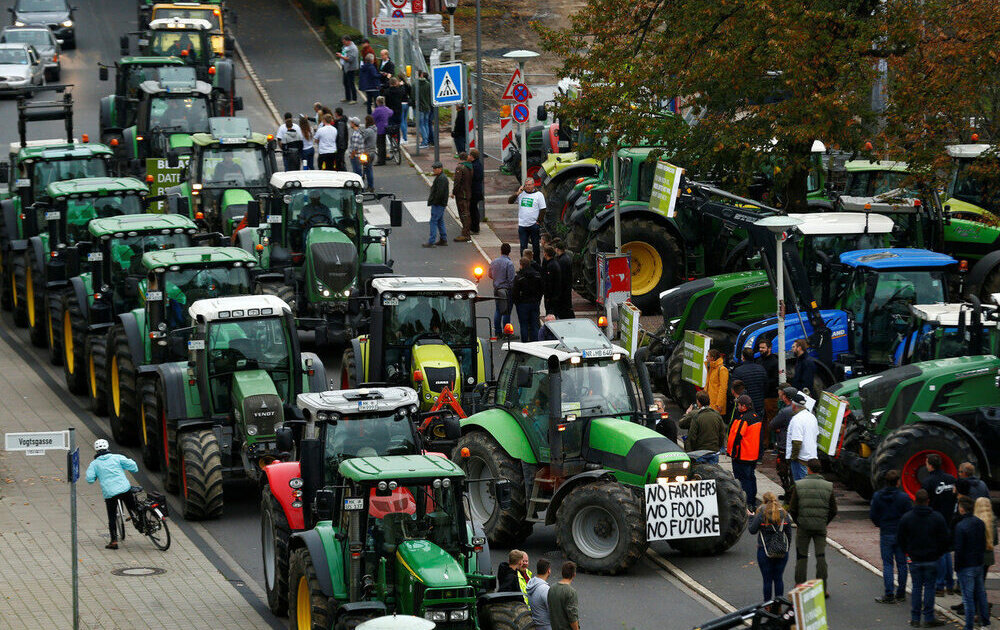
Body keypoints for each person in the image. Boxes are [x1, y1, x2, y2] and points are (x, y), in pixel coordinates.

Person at [899, 489, 951, 628]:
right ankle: (928, 617)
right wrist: (938, 553)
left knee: (916, 587)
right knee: (929, 588)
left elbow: (901, 539)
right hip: (931, 558)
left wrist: (907, 552)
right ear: (928, 501)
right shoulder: (937, 518)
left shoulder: (907, 518)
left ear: (915, 501)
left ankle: (915, 618)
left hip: (914, 558)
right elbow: (944, 539)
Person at [789, 458, 837, 596]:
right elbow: (833, 510)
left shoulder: (799, 485)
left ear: (808, 469)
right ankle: (822, 588)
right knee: (821, 557)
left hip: (803, 526)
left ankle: (800, 586)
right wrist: (824, 522)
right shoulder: (828, 486)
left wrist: (799, 522)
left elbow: (793, 508)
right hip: (820, 527)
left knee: (802, 557)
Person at [85, 439, 139, 550]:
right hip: (124, 489)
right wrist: (132, 469)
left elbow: (89, 479)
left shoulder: (94, 464)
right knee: (133, 507)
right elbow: (133, 465)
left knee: (112, 517)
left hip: (110, 493)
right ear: (108, 447)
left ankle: (113, 541)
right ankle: (140, 520)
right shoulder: (117, 457)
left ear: (96, 450)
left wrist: (94, 478)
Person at [870, 469, 913, 603]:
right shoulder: (904, 497)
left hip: (886, 532)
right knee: (902, 563)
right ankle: (901, 592)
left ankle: (889, 594)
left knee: (888, 564)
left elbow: (873, 515)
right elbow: (909, 515)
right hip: (900, 533)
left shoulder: (878, 496)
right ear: (898, 482)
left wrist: (880, 524)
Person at [922, 453, 958, 595]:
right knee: (946, 552)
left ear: (930, 465)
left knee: (939, 553)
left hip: (935, 520)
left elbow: (925, 501)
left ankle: (940, 584)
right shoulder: (951, 479)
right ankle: (950, 584)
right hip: (949, 519)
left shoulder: (928, 482)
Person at [748, 491, 793, 601]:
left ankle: (767, 605)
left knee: (767, 580)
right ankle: (778, 604)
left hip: (764, 550)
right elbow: (789, 534)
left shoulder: (762, 514)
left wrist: (751, 518)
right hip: (782, 551)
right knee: (778, 578)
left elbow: (752, 530)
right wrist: (786, 548)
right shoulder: (784, 514)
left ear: (764, 501)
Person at [954, 495, 989, 630]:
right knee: (980, 593)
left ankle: (969, 626)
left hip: (966, 565)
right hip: (978, 563)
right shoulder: (980, 523)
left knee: (967, 597)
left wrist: (957, 567)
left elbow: (959, 550)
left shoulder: (960, 526)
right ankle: (985, 621)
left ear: (962, 509)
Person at [728, 394, 763, 511]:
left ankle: (746, 503)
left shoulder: (743, 419)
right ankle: (752, 502)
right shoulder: (756, 417)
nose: (737, 407)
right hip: (753, 455)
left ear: (743, 406)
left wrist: (733, 453)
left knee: (742, 480)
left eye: (738, 405)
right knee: (751, 478)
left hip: (742, 456)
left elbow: (737, 437)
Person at [679, 390, 725, 463]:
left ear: (698, 402)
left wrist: (687, 414)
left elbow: (691, 435)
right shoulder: (717, 415)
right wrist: (718, 447)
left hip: (699, 453)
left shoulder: (696, 415)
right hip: (713, 451)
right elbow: (722, 434)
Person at [508, 179, 545, 262]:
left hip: (534, 225)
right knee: (523, 247)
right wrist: (518, 193)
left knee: (536, 247)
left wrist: (539, 221)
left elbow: (543, 209)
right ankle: (524, 264)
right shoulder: (521, 194)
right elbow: (510, 201)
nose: (528, 187)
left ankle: (537, 264)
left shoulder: (539, 195)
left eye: (529, 185)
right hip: (523, 225)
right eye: (526, 185)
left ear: (533, 185)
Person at [786, 390, 819, 481]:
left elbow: (797, 442)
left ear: (793, 405)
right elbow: (816, 435)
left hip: (800, 459)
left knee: (800, 484)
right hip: (812, 457)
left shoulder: (796, 419)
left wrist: (793, 458)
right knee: (809, 483)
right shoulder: (812, 417)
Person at [512, 254, 543, 342]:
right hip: (534, 302)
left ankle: (525, 343)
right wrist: (538, 299)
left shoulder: (519, 277)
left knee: (524, 325)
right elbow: (541, 289)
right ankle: (535, 342)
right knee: (535, 324)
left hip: (523, 303)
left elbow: (515, 292)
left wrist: (517, 302)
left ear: (521, 265)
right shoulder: (537, 275)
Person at [732, 348, 767, 421]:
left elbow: (735, 389)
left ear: (743, 357)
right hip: (759, 404)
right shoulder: (761, 369)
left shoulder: (738, 371)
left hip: (745, 406)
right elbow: (766, 386)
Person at [490, 243, 516, 334]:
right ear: (509, 252)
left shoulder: (494, 262)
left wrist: (497, 279)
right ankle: (507, 332)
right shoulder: (509, 264)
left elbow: (490, 274)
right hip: (506, 290)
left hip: (497, 289)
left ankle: (497, 331)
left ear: (501, 251)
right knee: (506, 311)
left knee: (498, 310)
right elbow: (511, 279)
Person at [548, 561, 579, 630]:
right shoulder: (571, 592)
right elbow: (572, 617)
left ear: (562, 573)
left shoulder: (552, 588)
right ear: (574, 574)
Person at [424, 161, 448, 248]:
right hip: (441, 203)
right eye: (433, 168)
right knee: (440, 221)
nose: (433, 170)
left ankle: (431, 241)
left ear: (440, 169)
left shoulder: (441, 178)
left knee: (433, 221)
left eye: (435, 168)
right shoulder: (441, 177)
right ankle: (443, 239)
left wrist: (434, 202)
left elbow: (440, 193)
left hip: (438, 204)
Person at [757, 339, 780, 423]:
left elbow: (775, 379)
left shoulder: (775, 362)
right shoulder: (759, 361)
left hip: (771, 397)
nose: (760, 349)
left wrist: (763, 383)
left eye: (763, 348)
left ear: (769, 348)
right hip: (761, 396)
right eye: (760, 348)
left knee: (771, 420)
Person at [452, 152, 473, 241]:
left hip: (461, 194)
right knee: (467, 213)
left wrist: (453, 192)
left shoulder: (460, 168)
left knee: (463, 214)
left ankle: (465, 234)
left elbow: (457, 181)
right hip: (468, 192)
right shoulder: (470, 167)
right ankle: (466, 232)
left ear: (459, 158)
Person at [527, 558, 552, 630]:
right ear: (548, 571)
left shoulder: (531, 583)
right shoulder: (545, 589)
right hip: (546, 626)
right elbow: (552, 611)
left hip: (535, 624)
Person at [554, 239, 574, 319]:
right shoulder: (566, 258)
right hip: (566, 288)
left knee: (564, 309)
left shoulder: (561, 260)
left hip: (563, 290)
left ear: (557, 249)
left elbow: (561, 276)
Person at [705, 348, 729, 415]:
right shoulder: (711, 368)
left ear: (712, 358)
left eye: (707, 356)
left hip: (716, 404)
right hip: (709, 402)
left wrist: (719, 404)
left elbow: (723, 388)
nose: (706, 358)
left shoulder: (722, 369)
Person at [336, 36, 359, 103]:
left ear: (348, 41)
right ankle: (348, 97)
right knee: (345, 82)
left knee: (351, 83)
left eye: (344, 42)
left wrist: (341, 56)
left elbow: (350, 59)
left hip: (350, 68)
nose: (343, 43)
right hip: (345, 67)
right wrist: (341, 55)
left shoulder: (353, 48)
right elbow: (345, 54)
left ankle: (354, 99)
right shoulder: (345, 47)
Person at [371, 96, 393, 165]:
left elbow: (372, 118)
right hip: (386, 127)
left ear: (377, 102)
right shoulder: (386, 108)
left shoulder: (377, 110)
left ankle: (381, 160)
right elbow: (391, 113)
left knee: (380, 145)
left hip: (379, 128)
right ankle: (384, 157)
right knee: (383, 144)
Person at [542, 245, 562, 317]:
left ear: (546, 254)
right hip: (554, 295)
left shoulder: (551, 266)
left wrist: (548, 296)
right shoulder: (554, 263)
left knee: (550, 315)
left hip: (551, 297)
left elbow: (549, 282)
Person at [417, 71, 434, 147]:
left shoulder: (418, 85)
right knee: (427, 123)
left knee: (422, 124)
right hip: (429, 107)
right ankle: (429, 140)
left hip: (422, 107)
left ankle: (426, 141)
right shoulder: (429, 85)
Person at [469, 148, 484, 233]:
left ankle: (474, 228)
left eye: (469, 155)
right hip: (477, 190)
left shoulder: (474, 166)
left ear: (472, 156)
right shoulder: (478, 164)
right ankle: (474, 227)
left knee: (473, 210)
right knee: (474, 209)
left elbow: (473, 178)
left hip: (474, 191)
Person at [361, 116, 377, 190]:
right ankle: (370, 185)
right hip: (372, 151)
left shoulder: (368, 131)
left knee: (368, 169)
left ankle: (370, 186)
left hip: (367, 152)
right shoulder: (374, 129)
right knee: (368, 168)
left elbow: (362, 139)